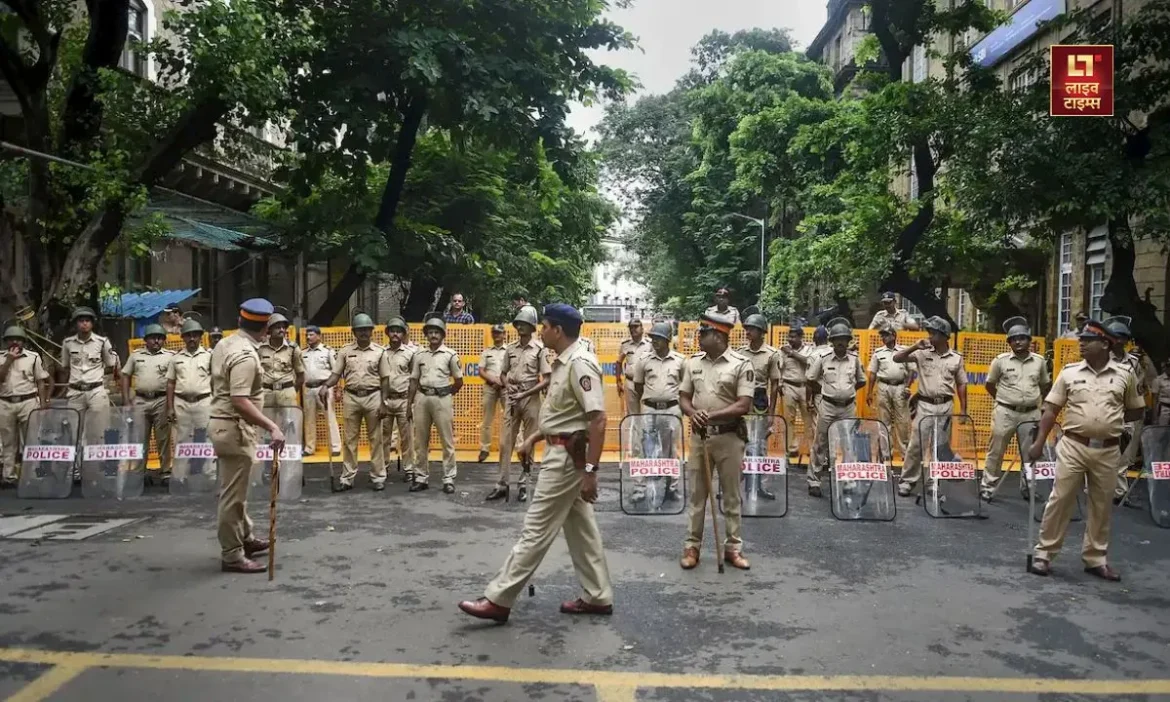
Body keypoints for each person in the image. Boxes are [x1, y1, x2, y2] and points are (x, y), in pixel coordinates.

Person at [458, 303, 613, 623]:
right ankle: (598, 596)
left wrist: (590, 473)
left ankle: (499, 598)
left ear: (558, 330)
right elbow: (562, 416)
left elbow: (597, 420)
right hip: (559, 450)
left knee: (536, 528)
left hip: (568, 459)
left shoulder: (580, 363)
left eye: (544, 326)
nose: (540, 331)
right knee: (581, 529)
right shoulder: (563, 362)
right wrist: (531, 440)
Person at [1027, 319, 1144, 581]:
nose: (1081, 343)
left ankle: (1095, 559)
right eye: (1081, 339)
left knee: (1101, 506)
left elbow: (1136, 409)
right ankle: (1044, 554)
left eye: (1087, 340)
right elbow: (1051, 409)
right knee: (1060, 499)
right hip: (1073, 445)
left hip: (1108, 450)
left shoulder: (1125, 374)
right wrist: (1038, 443)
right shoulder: (1069, 373)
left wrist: (1110, 423)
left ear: (1104, 343)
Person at [209, 298, 281, 574]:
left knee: (237, 490)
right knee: (232, 496)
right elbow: (239, 399)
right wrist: (271, 426)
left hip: (227, 424)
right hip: (234, 427)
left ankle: (245, 537)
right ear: (264, 329)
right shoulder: (245, 357)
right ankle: (232, 553)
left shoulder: (225, 343)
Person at [679, 311, 753, 571]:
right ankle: (692, 547)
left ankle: (734, 548)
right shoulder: (693, 363)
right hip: (700, 438)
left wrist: (708, 415)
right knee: (697, 495)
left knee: (732, 496)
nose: (698, 337)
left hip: (730, 438)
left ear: (719, 336)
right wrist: (692, 413)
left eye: (704, 333)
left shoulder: (741, 364)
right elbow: (684, 397)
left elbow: (743, 404)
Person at [893, 315, 967, 497]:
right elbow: (897, 358)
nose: (929, 336)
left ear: (943, 336)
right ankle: (908, 481)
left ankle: (933, 482)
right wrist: (915, 346)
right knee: (916, 445)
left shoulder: (956, 358)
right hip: (925, 405)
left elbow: (962, 384)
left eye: (932, 333)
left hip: (945, 406)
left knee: (940, 447)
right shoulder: (922, 353)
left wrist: (964, 409)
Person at [980, 317, 1050, 501]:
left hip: (1030, 413)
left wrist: (1036, 402)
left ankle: (1029, 487)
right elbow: (990, 385)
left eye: (1022, 337)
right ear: (1009, 342)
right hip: (1005, 412)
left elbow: (1045, 385)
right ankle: (988, 486)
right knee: (996, 450)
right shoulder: (1000, 361)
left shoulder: (1039, 362)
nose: (1018, 341)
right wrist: (1004, 401)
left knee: (1031, 452)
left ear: (1029, 340)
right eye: (1013, 339)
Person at [487, 306, 551, 502]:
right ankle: (502, 483)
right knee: (506, 442)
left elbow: (546, 379)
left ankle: (525, 482)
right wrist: (508, 387)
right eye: (518, 324)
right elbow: (503, 374)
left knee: (528, 442)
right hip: (513, 396)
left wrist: (526, 392)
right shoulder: (510, 349)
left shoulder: (540, 350)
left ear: (532, 327)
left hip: (530, 396)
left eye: (525, 324)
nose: (521, 327)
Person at [319, 314, 385, 491]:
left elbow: (385, 379)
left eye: (366, 329)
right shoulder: (345, 351)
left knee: (376, 439)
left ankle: (378, 476)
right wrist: (326, 386)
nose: (364, 332)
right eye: (360, 329)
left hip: (373, 397)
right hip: (352, 397)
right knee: (349, 439)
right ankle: (347, 477)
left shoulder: (380, 351)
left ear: (372, 331)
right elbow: (335, 374)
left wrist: (383, 403)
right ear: (354, 332)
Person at [806, 318, 866, 498]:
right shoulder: (823, 359)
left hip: (848, 408)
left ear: (849, 341)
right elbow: (810, 379)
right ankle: (814, 481)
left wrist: (846, 393)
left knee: (849, 444)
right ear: (832, 342)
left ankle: (848, 480)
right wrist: (826, 392)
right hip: (828, 407)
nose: (841, 343)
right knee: (820, 443)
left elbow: (861, 381)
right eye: (837, 339)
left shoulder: (854, 360)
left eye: (844, 339)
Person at [1103, 316, 1157, 502]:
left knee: (1125, 456)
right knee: (1101, 452)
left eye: (1123, 337)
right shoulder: (1100, 359)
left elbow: (1141, 386)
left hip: (1128, 413)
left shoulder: (1134, 362)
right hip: (1106, 411)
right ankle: (1096, 489)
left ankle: (1119, 493)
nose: (1119, 340)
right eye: (1115, 336)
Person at [630, 321, 686, 503]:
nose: (655, 341)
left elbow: (685, 387)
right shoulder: (644, 360)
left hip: (671, 409)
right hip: (649, 409)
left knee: (671, 450)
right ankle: (640, 488)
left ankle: (672, 488)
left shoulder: (680, 361)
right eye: (653, 338)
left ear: (668, 339)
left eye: (659, 338)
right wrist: (651, 399)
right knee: (645, 448)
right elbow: (638, 385)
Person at [59, 307, 119, 470]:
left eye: (87, 321)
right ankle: (76, 469)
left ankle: (96, 468)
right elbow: (65, 367)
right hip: (75, 391)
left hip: (96, 391)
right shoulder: (67, 343)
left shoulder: (102, 342)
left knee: (99, 430)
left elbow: (110, 365)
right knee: (73, 432)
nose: (84, 324)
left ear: (92, 324)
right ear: (76, 324)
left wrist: (100, 381)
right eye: (81, 321)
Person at [408, 316, 463, 493]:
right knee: (420, 441)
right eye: (430, 332)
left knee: (447, 440)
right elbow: (414, 380)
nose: (433, 335)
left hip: (441, 399)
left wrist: (447, 392)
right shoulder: (419, 355)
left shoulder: (450, 355)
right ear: (426, 335)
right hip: (422, 397)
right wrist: (409, 404)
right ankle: (421, 477)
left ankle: (448, 478)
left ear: (442, 335)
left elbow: (459, 380)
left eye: (436, 332)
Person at [121, 324, 175, 484]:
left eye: (159, 338)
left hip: (161, 400)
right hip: (140, 400)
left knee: (163, 437)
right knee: (139, 437)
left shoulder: (170, 356)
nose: (156, 341)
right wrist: (125, 399)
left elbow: (174, 380)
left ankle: (165, 471)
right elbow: (125, 375)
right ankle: (140, 472)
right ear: (146, 340)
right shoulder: (136, 356)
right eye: (153, 338)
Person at [0, 327, 50, 489]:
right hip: (5, 402)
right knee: (8, 441)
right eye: (11, 339)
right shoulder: (0, 358)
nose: (15, 342)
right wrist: (8, 360)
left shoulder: (33, 357)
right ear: (6, 341)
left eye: (18, 339)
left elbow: (40, 381)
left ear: (24, 341)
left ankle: (35, 473)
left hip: (28, 400)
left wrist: (42, 404)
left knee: (32, 438)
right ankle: (9, 476)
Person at [166, 319, 213, 461]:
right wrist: (169, 408)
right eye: (188, 335)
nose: (192, 338)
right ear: (183, 337)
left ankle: (208, 474)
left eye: (195, 335)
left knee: (206, 438)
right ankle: (181, 475)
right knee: (182, 439)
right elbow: (170, 383)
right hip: (182, 403)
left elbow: (217, 381)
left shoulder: (209, 356)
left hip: (204, 401)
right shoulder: (176, 358)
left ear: (200, 337)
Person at [866, 324, 912, 461]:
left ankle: (905, 453)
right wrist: (869, 392)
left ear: (893, 335)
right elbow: (872, 373)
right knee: (884, 420)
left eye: (886, 335)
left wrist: (907, 387)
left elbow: (911, 371)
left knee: (902, 420)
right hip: (883, 386)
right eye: (882, 335)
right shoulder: (878, 352)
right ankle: (886, 453)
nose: (883, 338)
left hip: (900, 386)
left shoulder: (903, 351)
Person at [380, 317, 417, 482]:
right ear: (388, 333)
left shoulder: (410, 354)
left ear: (403, 334)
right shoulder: (381, 352)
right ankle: (383, 468)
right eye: (392, 330)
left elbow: (414, 379)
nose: (395, 334)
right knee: (384, 436)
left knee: (407, 437)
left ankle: (409, 469)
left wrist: (411, 402)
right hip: (386, 399)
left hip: (403, 399)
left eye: (398, 331)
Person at [301, 325, 342, 457]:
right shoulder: (303, 353)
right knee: (309, 419)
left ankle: (335, 447)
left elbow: (336, 371)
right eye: (307, 335)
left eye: (311, 335)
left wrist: (338, 389)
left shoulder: (328, 351)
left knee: (330, 416)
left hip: (324, 387)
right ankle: (309, 447)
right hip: (308, 388)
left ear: (319, 336)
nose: (308, 337)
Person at [777, 326, 814, 461]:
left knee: (808, 420)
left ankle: (811, 449)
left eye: (793, 337)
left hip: (805, 388)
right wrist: (780, 384)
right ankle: (791, 449)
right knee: (789, 419)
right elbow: (780, 368)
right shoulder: (782, 350)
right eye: (789, 336)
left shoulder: (809, 349)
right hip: (789, 386)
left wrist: (792, 353)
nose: (790, 339)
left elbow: (809, 362)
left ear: (800, 337)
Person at [258, 313, 304, 409]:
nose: (282, 330)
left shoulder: (293, 348)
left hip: (286, 391)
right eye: (278, 328)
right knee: (266, 420)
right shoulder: (260, 348)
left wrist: (291, 390)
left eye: (283, 328)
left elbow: (301, 375)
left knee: (288, 422)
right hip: (266, 392)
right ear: (269, 330)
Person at [478, 324, 508, 463]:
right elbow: (481, 371)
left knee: (509, 418)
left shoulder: (509, 351)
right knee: (487, 420)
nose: (497, 335)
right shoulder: (486, 352)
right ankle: (484, 448)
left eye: (499, 333)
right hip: (490, 387)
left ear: (504, 335)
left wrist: (501, 382)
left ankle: (511, 446)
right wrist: (493, 380)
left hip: (505, 387)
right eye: (494, 333)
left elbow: (512, 369)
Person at [616, 319, 651, 417]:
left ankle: (646, 433)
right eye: (631, 327)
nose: (633, 329)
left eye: (636, 326)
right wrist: (618, 381)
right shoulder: (625, 345)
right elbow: (618, 363)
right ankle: (635, 432)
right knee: (633, 415)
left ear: (642, 329)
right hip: (630, 383)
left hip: (647, 383)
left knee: (647, 413)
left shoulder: (650, 344)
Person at [1155, 361, 1170, 426]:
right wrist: (1154, 417)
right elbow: (1155, 399)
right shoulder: (1158, 380)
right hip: (1164, 408)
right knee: (1162, 429)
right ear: (1166, 367)